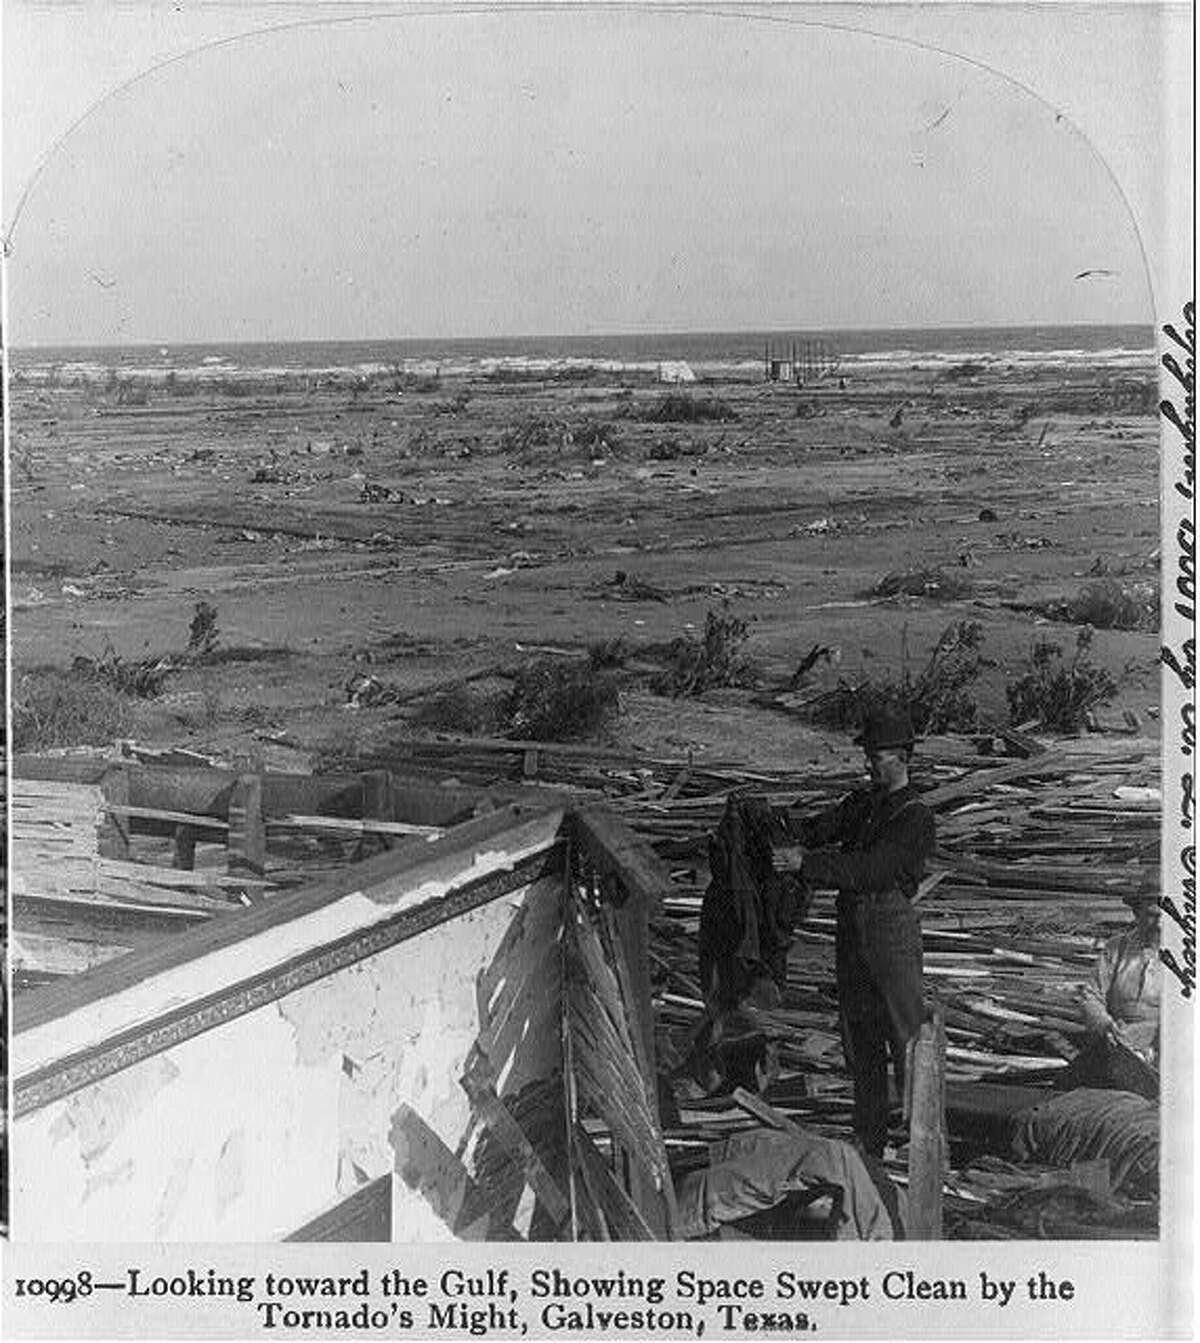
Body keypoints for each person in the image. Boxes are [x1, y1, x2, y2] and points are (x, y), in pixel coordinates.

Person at [775, 705, 935, 1157]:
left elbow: (874, 868)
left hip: (889, 930)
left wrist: (807, 863)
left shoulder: (915, 816)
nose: (868, 763)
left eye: (877, 755)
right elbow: (818, 829)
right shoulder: (862, 805)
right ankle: (870, 1140)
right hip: (853, 930)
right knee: (859, 1037)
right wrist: (777, 824)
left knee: (905, 1035)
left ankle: (919, 1141)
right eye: (867, 753)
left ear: (903, 756)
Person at [1069, 888, 1160, 1096]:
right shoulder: (1117, 948)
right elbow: (1090, 996)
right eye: (1152, 915)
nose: (1160, 924)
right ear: (1137, 913)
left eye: (1166, 916)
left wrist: (1151, 1031)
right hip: (1115, 1046)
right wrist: (1105, 1024)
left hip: (1167, 1051)